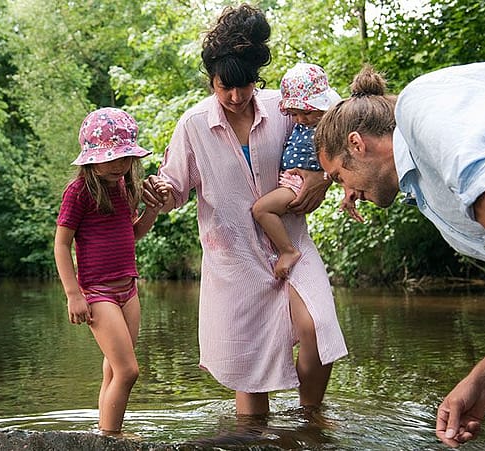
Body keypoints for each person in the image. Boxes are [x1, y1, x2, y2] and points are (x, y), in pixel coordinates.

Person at [313, 58, 485, 447]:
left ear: (357, 143)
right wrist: (480, 382)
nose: (347, 195)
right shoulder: (438, 210)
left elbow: (484, 182)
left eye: (340, 177)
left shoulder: (420, 104)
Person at [142, 4, 347, 417]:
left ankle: (310, 423)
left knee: (316, 329)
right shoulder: (193, 124)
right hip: (234, 263)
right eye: (224, 88)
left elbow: (323, 151)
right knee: (251, 383)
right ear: (211, 81)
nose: (236, 97)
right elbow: (175, 189)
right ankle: (255, 439)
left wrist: (322, 182)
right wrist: (158, 192)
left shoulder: (285, 109)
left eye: (245, 86)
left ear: (257, 79)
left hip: (291, 244)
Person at [54, 107, 169, 434]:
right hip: (97, 292)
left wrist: (153, 210)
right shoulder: (79, 192)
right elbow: (61, 245)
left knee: (114, 370)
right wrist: (73, 294)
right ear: (92, 158)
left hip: (127, 290)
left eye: (126, 158)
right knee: (128, 371)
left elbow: (131, 234)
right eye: (113, 158)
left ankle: (103, 432)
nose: (121, 165)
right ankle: (111, 438)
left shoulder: (123, 186)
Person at [251, 63, 344, 279]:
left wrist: (326, 178)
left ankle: (288, 250)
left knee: (261, 210)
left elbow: (341, 158)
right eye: (294, 114)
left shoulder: (329, 127)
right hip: (290, 181)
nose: (301, 119)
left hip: (298, 185)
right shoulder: (305, 123)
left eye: (306, 112)